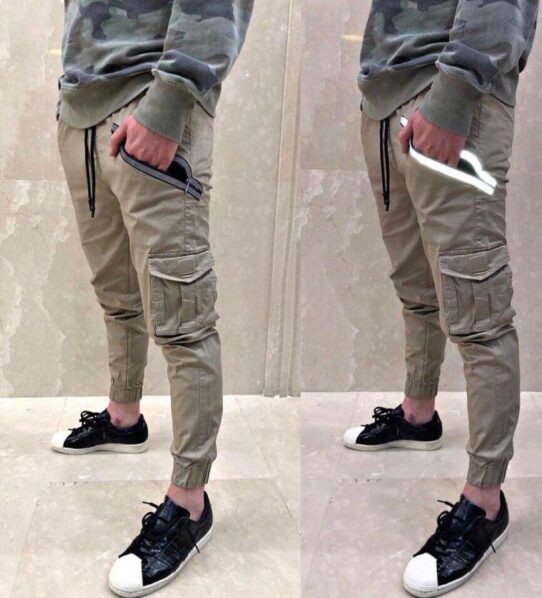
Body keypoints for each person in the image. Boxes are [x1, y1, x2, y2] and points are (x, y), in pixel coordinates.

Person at [51, 1, 254, 595]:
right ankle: (124, 418)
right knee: (116, 292)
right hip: (81, 110)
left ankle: (190, 501)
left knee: (183, 319)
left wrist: (168, 104)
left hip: (151, 105)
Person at [343, 1, 538, 595]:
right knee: (416, 285)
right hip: (385, 99)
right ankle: (419, 413)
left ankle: (485, 500)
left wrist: (453, 95)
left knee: (479, 310)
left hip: (451, 97)